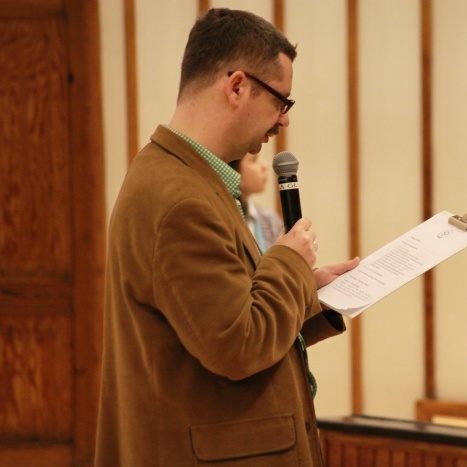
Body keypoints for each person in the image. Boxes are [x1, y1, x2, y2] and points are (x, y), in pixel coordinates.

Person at [95, 9, 359, 466]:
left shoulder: (188, 179)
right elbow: (237, 344)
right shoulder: (180, 200)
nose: (283, 121)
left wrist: (308, 290)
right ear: (237, 86)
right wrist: (289, 262)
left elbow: (222, 315)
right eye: (281, 101)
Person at [230, 153, 284, 253]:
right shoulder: (224, 219)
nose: (264, 165)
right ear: (233, 170)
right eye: (254, 160)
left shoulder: (270, 219)